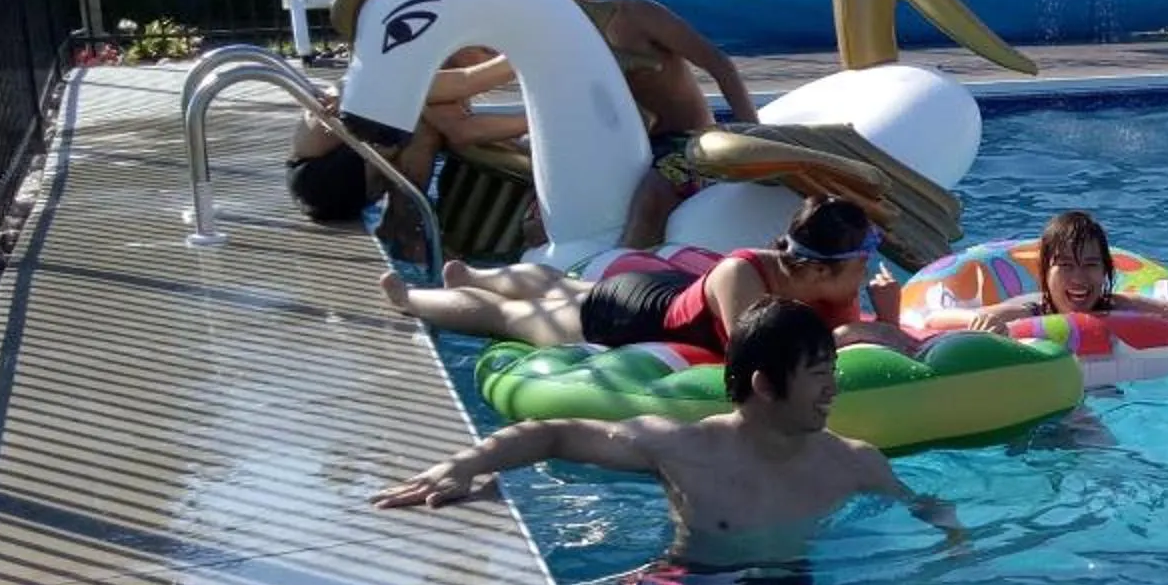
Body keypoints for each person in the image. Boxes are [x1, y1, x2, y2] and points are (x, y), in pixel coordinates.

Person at [372, 299, 960, 565]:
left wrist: (957, 547)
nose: (833, 389)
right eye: (817, 376)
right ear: (764, 384)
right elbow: (552, 433)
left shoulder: (853, 462)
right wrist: (461, 467)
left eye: (832, 373)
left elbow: (926, 505)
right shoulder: (685, 447)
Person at [379, 194, 909, 355]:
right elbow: (755, 353)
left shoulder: (826, 281)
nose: (866, 273)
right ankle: (414, 298)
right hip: (627, 314)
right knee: (514, 317)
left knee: (557, 284)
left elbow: (846, 333)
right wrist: (852, 331)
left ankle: (473, 271)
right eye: (861, 263)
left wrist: (884, 318)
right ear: (817, 268)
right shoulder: (741, 276)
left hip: (673, 295)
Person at [523, 0, 764, 249]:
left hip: (683, 140)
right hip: (617, 150)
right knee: (535, 214)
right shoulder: (551, 35)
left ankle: (620, 276)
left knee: (653, 194)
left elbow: (720, 64)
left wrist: (754, 134)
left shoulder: (636, 15)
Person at [954, 209, 1168, 369]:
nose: (1079, 278)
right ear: (1045, 273)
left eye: (1090, 265)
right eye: (1066, 266)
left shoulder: (1119, 305)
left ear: (1106, 271)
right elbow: (964, 319)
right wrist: (985, 322)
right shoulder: (1032, 309)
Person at [283, 54, 528, 241]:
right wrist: (528, 53)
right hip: (318, 181)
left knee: (426, 126)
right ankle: (404, 224)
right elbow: (463, 129)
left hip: (328, 179)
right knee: (423, 131)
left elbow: (469, 127)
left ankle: (403, 220)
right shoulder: (417, 71)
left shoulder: (418, 65)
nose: (492, 54)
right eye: (487, 49)